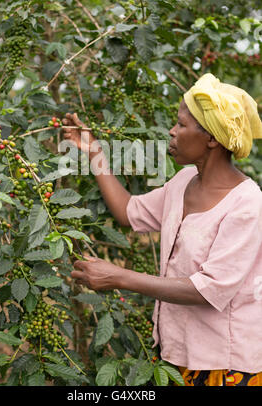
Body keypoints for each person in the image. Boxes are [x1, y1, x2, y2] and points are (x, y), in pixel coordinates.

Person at [62, 73, 262, 386]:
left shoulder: (248, 205)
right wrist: (93, 151)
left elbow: (207, 290)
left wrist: (118, 277)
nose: (172, 131)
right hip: (175, 351)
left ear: (212, 138)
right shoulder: (182, 182)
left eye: (181, 124)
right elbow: (128, 211)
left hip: (225, 365)